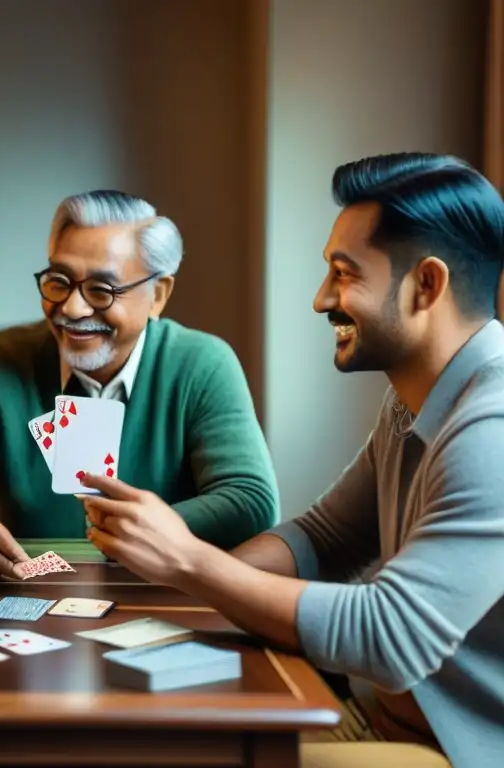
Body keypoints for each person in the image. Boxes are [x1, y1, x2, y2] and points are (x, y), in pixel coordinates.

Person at [80, 153, 504, 768]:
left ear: (427, 286)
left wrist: (191, 563)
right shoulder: (418, 396)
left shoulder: (492, 426)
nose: (320, 299)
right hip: (374, 719)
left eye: (344, 273)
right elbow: (324, 538)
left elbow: (390, 635)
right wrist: (172, 589)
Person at [0, 190, 279, 580]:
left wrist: (135, 529)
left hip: (162, 592)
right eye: (59, 281)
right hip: (30, 600)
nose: (72, 309)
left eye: (101, 290)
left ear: (157, 295)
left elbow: (250, 500)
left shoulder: (202, 363)